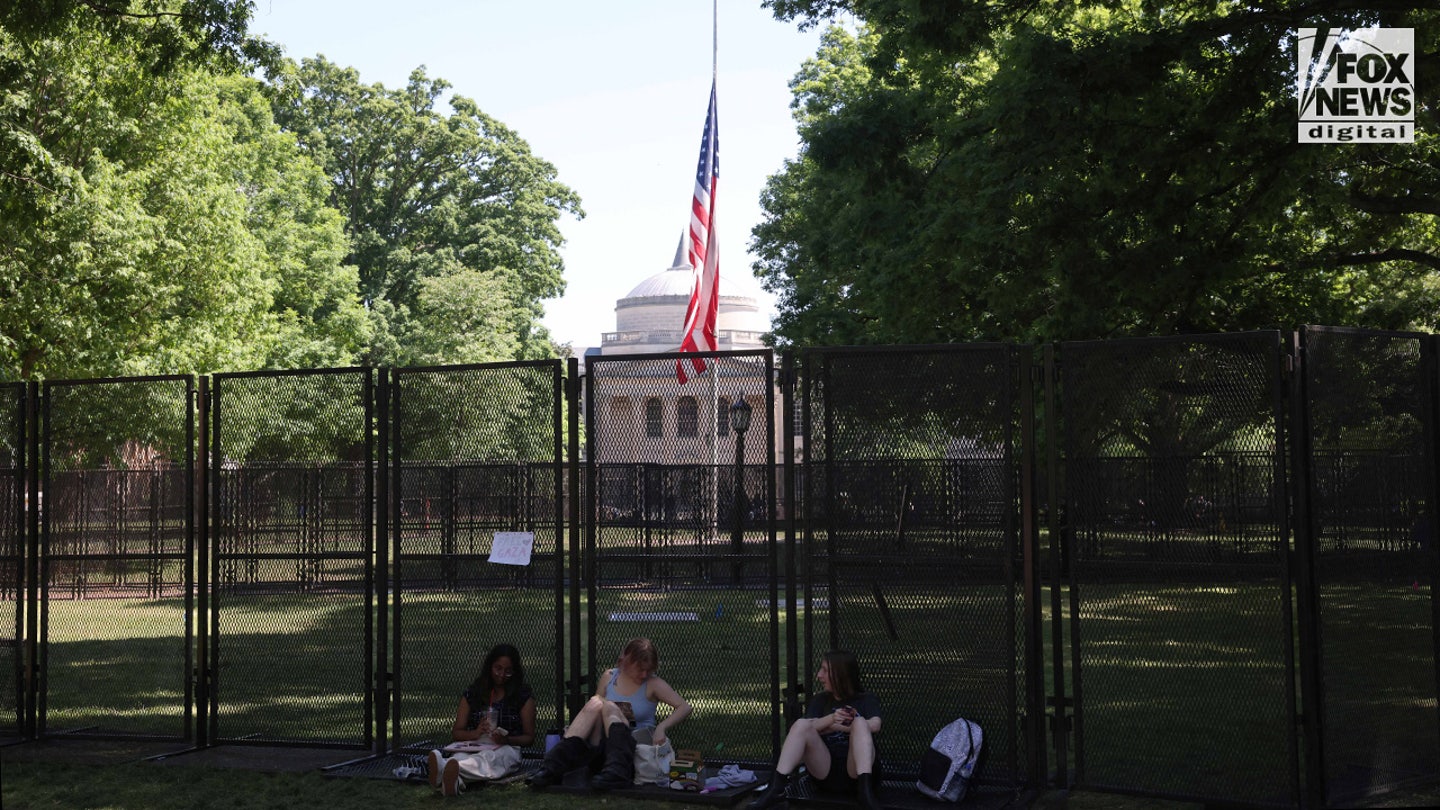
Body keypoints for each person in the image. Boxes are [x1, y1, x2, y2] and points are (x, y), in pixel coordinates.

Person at [528, 637, 692, 791]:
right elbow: (595, 713)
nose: (644, 674)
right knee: (595, 703)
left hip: (633, 754)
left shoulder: (653, 684)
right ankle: (551, 767)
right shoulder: (609, 677)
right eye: (640, 669)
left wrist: (661, 727)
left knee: (608, 706)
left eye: (648, 670)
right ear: (627, 663)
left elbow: (684, 707)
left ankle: (617, 771)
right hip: (602, 750)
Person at [748, 650, 882, 810]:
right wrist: (832, 719)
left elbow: (875, 725)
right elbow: (801, 729)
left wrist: (840, 726)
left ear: (841, 674)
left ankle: (865, 795)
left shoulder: (866, 699)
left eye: (825, 670)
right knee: (801, 724)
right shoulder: (820, 700)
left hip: (857, 775)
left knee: (860, 723)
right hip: (825, 772)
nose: (819, 675)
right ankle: (776, 789)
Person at [428, 642, 537, 796]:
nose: (501, 675)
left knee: (489, 758)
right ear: (490, 666)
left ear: (515, 671)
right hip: (474, 744)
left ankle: (443, 769)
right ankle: (453, 782)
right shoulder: (474, 692)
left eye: (508, 671)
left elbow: (529, 738)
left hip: (507, 747)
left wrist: (507, 740)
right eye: (498, 668)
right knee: (459, 757)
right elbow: (457, 733)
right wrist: (476, 732)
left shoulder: (522, 695)